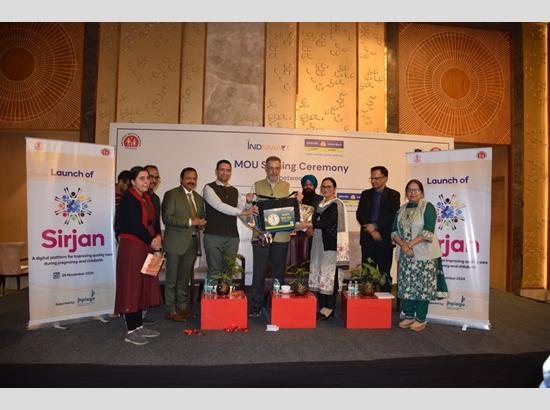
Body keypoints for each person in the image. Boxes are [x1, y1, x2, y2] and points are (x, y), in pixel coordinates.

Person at [247, 156, 301, 318]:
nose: (273, 171)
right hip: (261, 236)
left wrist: (298, 203)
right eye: (270, 168)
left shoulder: (288, 187)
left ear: (280, 169)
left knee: (279, 273)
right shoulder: (256, 186)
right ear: (265, 168)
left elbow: (293, 213)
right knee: (259, 273)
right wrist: (249, 204)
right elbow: (249, 212)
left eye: (277, 168)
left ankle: (277, 305)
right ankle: (256, 306)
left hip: (281, 238)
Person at [391, 179, 448, 332]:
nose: (413, 193)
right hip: (405, 255)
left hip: (424, 255)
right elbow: (394, 231)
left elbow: (428, 231)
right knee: (407, 286)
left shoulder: (427, 207)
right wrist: (404, 246)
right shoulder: (401, 209)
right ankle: (409, 315)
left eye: (416, 190)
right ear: (406, 193)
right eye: (409, 190)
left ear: (422, 192)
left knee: (423, 287)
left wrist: (409, 245)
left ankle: (421, 319)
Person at [114, 166, 162, 345]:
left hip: (147, 246)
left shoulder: (147, 198)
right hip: (133, 247)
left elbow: (154, 222)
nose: (146, 181)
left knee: (143, 285)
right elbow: (134, 225)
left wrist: (158, 237)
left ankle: (139, 325)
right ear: (133, 182)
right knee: (132, 287)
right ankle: (131, 330)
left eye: (147, 178)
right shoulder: (128, 199)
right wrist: (152, 240)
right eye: (142, 178)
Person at [299, 177, 348, 320]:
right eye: (324, 187)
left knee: (330, 276)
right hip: (318, 244)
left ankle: (330, 308)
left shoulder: (337, 204)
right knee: (320, 275)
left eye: (329, 187)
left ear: (334, 189)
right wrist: (307, 222)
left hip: (331, 245)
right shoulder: (320, 204)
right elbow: (313, 219)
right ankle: (322, 306)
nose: (326, 189)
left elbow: (328, 222)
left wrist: (310, 225)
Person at [162, 167, 206, 322]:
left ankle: (182, 307)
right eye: (188, 178)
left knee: (184, 278)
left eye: (194, 178)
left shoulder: (198, 198)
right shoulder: (172, 194)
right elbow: (167, 218)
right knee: (172, 279)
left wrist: (202, 223)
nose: (191, 181)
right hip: (175, 243)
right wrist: (190, 222)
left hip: (192, 244)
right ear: (181, 179)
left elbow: (200, 218)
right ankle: (170, 310)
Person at [202, 159, 257, 281]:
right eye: (222, 170)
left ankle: (226, 294)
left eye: (228, 170)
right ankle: (212, 294)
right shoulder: (208, 188)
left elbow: (243, 214)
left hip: (232, 238)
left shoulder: (235, 191)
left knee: (229, 271)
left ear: (231, 172)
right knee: (214, 271)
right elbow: (220, 206)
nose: (225, 173)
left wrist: (248, 208)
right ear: (216, 171)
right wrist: (243, 212)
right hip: (213, 236)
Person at [356, 165, 400, 292]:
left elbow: (392, 215)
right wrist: (371, 230)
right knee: (367, 273)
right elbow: (360, 214)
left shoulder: (393, 195)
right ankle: (367, 300)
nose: (373, 181)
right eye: (372, 178)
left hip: (384, 240)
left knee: (384, 273)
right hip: (368, 240)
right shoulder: (365, 194)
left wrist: (375, 226)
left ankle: (385, 300)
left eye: (377, 178)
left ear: (385, 178)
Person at [288, 175, 323, 267]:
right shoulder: (296, 199)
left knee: (312, 263)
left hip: (313, 235)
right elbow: (291, 216)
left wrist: (311, 227)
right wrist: (304, 228)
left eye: (311, 184)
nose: (308, 187)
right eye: (306, 185)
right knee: (296, 263)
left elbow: (322, 218)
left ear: (314, 186)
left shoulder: (321, 200)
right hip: (297, 235)